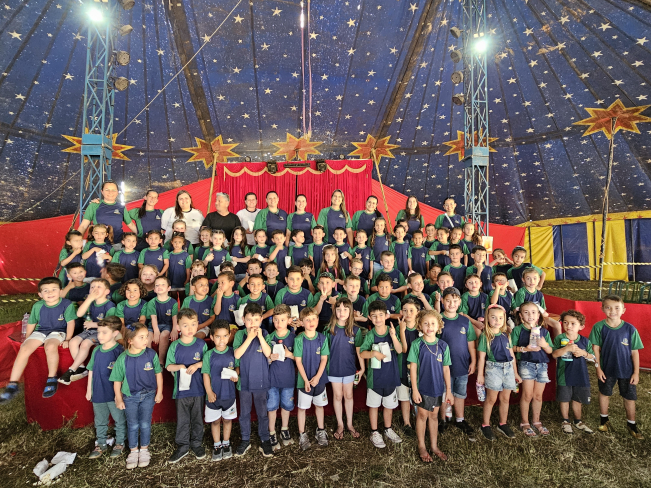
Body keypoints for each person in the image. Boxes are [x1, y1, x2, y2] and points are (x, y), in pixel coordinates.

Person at [0, 278, 77, 403]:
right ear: (40, 294)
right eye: (45, 291)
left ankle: (51, 378)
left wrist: (68, 339)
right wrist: (27, 338)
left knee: (50, 346)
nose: (50, 293)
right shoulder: (38, 306)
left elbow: (70, 323)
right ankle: (13, 384)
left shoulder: (66, 304)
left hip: (58, 331)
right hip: (41, 331)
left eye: (54, 289)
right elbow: (32, 322)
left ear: (60, 291)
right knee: (24, 348)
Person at [589, 295, 644, 439]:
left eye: (617, 308)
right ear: (602, 309)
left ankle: (631, 424)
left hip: (626, 371)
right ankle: (604, 420)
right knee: (604, 393)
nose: (612, 311)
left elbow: (635, 352)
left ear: (623, 310)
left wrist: (636, 372)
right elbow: (595, 349)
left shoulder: (630, 329)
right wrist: (598, 368)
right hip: (606, 370)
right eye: (608, 307)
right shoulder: (598, 327)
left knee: (629, 397)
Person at [110, 323, 164, 469]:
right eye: (141, 337)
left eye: (146, 336)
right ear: (130, 340)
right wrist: (119, 398)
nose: (146, 340)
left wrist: (159, 392)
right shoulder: (122, 358)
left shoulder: (151, 354)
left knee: (145, 423)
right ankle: (133, 451)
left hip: (148, 395)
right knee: (133, 424)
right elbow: (117, 381)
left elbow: (158, 374)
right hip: (130, 397)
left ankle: (144, 449)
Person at [408, 309, 453, 463]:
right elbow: (413, 368)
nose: (429, 326)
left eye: (433, 323)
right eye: (426, 323)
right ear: (420, 325)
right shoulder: (417, 344)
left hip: (438, 388)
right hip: (422, 387)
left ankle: (434, 446)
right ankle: (421, 445)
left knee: (434, 416)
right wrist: (414, 390)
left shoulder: (443, 345)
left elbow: (446, 369)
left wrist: (448, 391)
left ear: (438, 325)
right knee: (422, 416)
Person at [166, 309, 208, 463]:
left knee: (197, 418)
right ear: (178, 327)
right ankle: (183, 445)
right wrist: (180, 367)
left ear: (198, 324)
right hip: (181, 391)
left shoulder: (201, 344)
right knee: (183, 419)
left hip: (198, 389)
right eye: (185, 325)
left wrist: (197, 365)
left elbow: (207, 363)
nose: (190, 329)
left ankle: (196, 443)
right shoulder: (175, 346)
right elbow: (168, 366)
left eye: (193, 324)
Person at [360, 300, 403, 448]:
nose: (377, 318)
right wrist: (373, 353)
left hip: (391, 375)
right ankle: (374, 432)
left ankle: (388, 429)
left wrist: (394, 336)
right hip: (375, 378)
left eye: (380, 315)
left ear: (386, 316)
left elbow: (399, 350)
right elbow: (362, 353)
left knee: (388, 405)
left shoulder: (392, 331)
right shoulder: (370, 335)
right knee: (374, 405)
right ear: (369, 318)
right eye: (374, 316)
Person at [233, 303, 273, 457]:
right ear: (243, 319)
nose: (253, 324)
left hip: (261, 381)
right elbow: (237, 354)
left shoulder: (265, 333)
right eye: (249, 320)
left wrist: (260, 337)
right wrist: (249, 338)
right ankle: (245, 439)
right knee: (244, 413)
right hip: (244, 382)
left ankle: (265, 439)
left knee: (262, 413)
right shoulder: (240, 335)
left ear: (261, 320)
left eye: (256, 320)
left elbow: (268, 353)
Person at [59, 279, 116, 385]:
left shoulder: (110, 306)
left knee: (85, 343)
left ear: (107, 292)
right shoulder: (90, 303)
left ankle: (72, 369)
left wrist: (93, 324)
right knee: (73, 342)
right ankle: (81, 368)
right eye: (92, 287)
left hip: (101, 333)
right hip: (89, 330)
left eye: (99, 287)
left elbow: (110, 324)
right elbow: (79, 314)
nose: (95, 289)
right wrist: (89, 299)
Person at [477, 305, 521, 441]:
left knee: (505, 398)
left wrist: (515, 373)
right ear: (487, 318)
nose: (497, 320)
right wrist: (480, 375)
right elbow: (481, 358)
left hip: (508, 369)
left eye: (501, 318)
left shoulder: (506, 335)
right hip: (493, 369)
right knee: (491, 398)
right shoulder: (485, 336)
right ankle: (485, 425)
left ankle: (503, 423)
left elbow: (512, 356)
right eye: (494, 317)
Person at [437, 287, 476, 439]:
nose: (451, 304)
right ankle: (442, 419)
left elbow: (471, 343)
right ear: (442, 301)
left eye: (454, 301)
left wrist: (473, 361)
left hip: (462, 365)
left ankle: (460, 419)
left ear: (459, 302)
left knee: (460, 393)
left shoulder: (465, 321)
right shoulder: (438, 320)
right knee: (444, 393)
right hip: (443, 366)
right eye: (448, 301)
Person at [86, 316, 126, 459]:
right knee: (100, 420)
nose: (100, 336)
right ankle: (101, 444)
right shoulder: (96, 350)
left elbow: (123, 374)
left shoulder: (119, 351)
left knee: (119, 419)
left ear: (115, 333)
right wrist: (89, 390)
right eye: (98, 332)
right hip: (98, 392)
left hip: (113, 394)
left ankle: (120, 443)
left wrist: (119, 395)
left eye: (104, 332)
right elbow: (91, 370)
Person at [511, 301, 553, 438]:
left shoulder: (544, 331)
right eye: (526, 312)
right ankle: (525, 422)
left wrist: (544, 345)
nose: (530, 315)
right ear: (521, 316)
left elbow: (550, 350)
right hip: (526, 364)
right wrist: (525, 349)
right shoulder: (518, 330)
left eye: (534, 312)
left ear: (538, 315)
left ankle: (536, 420)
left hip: (542, 365)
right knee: (527, 395)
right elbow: (511, 349)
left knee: (538, 395)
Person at [325, 298, 364, 440]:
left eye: (345, 309)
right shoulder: (329, 329)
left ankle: (349, 424)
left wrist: (362, 368)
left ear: (351, 311)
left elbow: (359, 351)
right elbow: (324, 352)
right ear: (334, 311)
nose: (342, 312)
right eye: (339, 309)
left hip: (349, 368)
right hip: (334, 369)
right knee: (337, 395)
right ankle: (340, 424)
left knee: (348, 395)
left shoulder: (355, 330)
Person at [552, 310, 596, 435]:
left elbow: (592, 357)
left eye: (573, 323)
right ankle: (565, 421)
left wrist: (583, 353)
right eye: (565, 322)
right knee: (564, 398)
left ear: (581, 326)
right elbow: (554, 354)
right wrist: (566, 348)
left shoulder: (585, 341)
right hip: (564, 374)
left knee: (578, 398)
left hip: (580, 374)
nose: (568, 326)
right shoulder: (560, 338)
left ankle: (578, 421)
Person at [202, 320, 238, 461]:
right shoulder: (209, 355)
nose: (222, 340)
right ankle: (217, 445)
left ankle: (226, 443)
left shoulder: (232, 352)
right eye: (218, 336)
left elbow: (237, 368)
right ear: (211, 337)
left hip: (229, 394)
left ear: (229, 336)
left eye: (225, 336)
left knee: (227, 420)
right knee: (215, 421)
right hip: (213, 396)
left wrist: (235, 374)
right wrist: (209, 392)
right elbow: (205, 374)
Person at [294, 307, 330, 450]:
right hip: (304, 381)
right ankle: (302, 434)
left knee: (319, 406)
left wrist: (317, 377)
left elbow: (324, 359)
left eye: (314, 319)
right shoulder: (299, 339)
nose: (311, 322)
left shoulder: (322, 338)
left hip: (319, 380)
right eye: (307, 320)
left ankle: (320, 430)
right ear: (301, 322)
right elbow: (298, 361)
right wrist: (305, 380)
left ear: (318, 320)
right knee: (302, 408)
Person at [266, 304, 297, 451]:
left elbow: (300, 358)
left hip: (288, 379)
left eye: (283, 320)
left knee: (286, 405)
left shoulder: (293, 337)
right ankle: (271, 432)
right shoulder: (269, 337)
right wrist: (270, 358)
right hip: (272, 379)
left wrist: (290, 355)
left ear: (289, 320)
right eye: (276, 320)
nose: (279, 323)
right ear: (272, 320)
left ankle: (284, 429)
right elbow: (264, 359)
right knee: (272, 406)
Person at [78, 180, 136, 249]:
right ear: (102, 191)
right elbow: (83, 226)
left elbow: (131, 225)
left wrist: (142, 237)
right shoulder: (94, 205)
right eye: (107, 190)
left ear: (117, 192)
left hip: (118, 244)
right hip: (99, 245)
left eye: (113, 190)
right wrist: (77, 241)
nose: (110, 192)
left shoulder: (121, 207)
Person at [512, 268, 561, 337]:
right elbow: (520, 310)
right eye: (528, 278)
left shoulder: (539, 294)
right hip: (527, 318)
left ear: (539, 280)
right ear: (523, 280)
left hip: (538, 316)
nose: (532, 281)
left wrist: (542, 318)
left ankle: (558, 342)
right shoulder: (521, 292)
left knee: (557, 324)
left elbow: (543, 310)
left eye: (535, 278)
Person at [397, 298, 420, 436]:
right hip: (402, 365)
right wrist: (401, 330)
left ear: (418, 312)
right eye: (405, 310)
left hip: (419, 367)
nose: (408, 313)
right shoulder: (399, 327)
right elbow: (404, 349)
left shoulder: (422, 327)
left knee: (418, 394)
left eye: (411, 310)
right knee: (405, 395)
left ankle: (420, 421)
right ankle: (407, 423)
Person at [143, 276, 178, 366]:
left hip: (167, 324)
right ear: (154, 289)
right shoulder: (152, 302)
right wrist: (156, 331)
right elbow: (153, 318)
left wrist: (174, 329)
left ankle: (161, 361)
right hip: (153, 325)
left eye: (163, 284)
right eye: (157, 285)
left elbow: (174, 317)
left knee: (164, 335)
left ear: (168, 288)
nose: (160, 286)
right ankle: (150, 360)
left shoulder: (173, 302)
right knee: (148, 337)